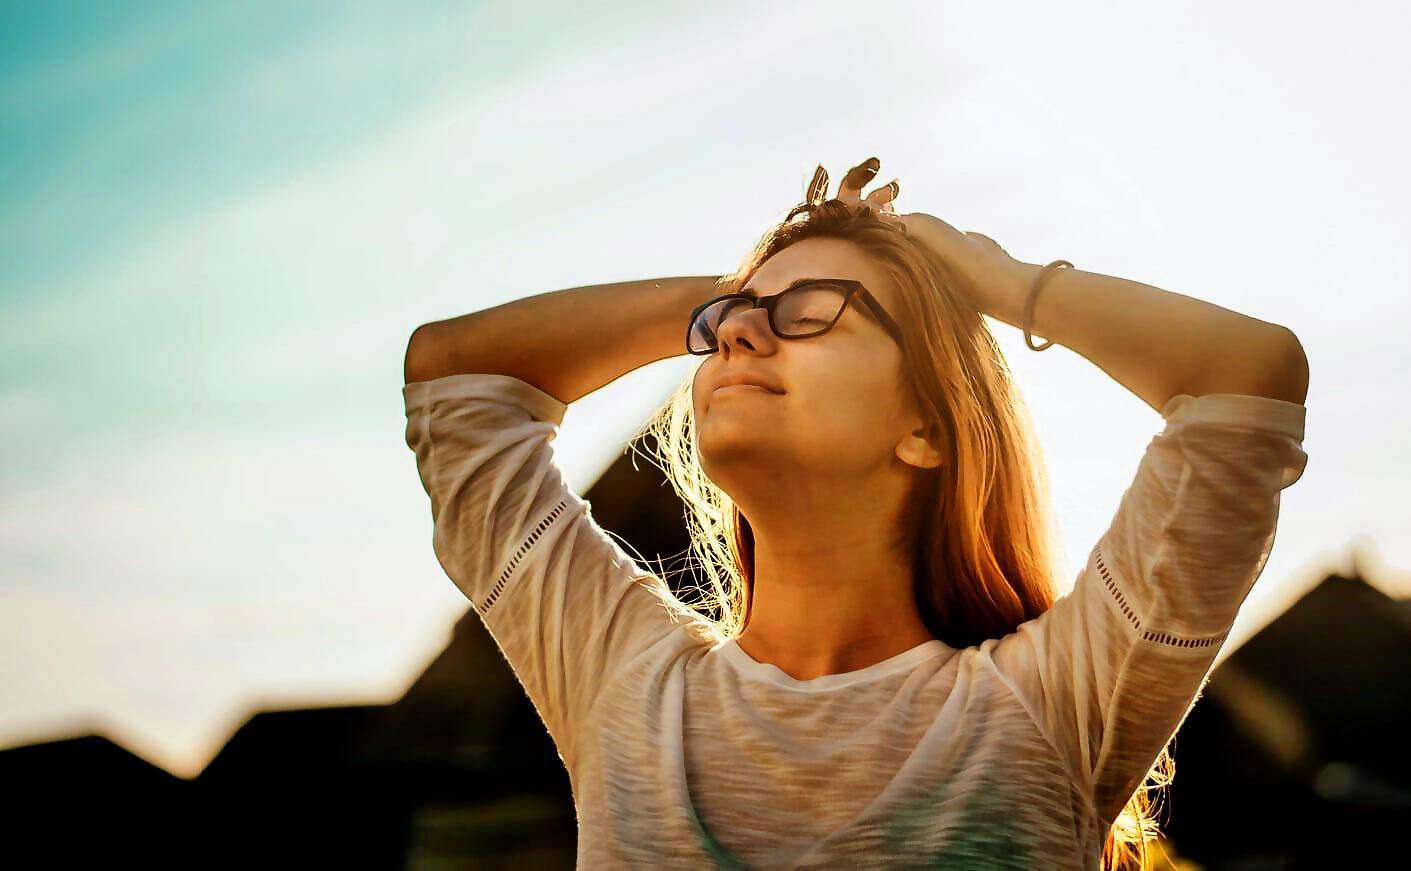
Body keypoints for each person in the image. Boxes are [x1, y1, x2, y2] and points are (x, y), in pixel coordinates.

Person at [401, 157, 1309, 869]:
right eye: (726, 323)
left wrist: (999, 282)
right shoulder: (624, 683)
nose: (737, 334)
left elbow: (1246, 377)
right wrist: (736, 290)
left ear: (927, 428)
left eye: (811, 313)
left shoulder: (1053, 701)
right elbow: (455, 373)